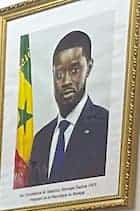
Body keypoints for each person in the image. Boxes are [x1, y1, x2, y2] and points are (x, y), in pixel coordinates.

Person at [28, 30, 109, 185]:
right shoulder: (41, 139)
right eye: (59, 74)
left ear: (89, 67)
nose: (66, 81)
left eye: (74, 70)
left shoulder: (104, 125)